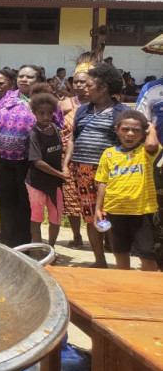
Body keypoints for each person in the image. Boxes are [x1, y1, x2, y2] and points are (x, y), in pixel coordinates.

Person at [64, 63, 130, 267]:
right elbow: (73, 139)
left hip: (110, 174)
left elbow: (127, 144)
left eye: (90, 85)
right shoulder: (83, 110)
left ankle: (120, 262)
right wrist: (67, 163)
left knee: (110, 216)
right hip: (82, 171)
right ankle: (99, 260)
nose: (85, 88)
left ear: (103, 88)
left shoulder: (120, 112)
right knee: (91, 217)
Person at [0, 65, 46, 247]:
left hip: (29, 162)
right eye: (21, 76)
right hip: (5, 161)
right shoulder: (7, 99)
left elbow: (53, 127)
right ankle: (6, 242)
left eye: (29, 77)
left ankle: (23, 245)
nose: (24, 79)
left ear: (39, 80)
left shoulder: (44, 101)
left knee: (24, 205)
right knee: (5, 202)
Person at [95, 110, 159, 271]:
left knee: (147, 253)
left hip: (142, 211)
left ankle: (150, 290)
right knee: (120, 250)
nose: (130, 134)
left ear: (143, 132)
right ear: (117, 130)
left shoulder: (145, 152)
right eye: (125, 129)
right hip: (115, 210)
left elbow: (152, 144)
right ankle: (125, 284)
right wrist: (98, 207)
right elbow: (102, 182)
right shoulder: (108, 154)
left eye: (136, 130)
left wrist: (151, 128)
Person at [26, 91, 66, 247]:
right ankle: (37, 250)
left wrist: (64, 168)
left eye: (49, 113)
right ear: (34, 113)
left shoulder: (55, 129)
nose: (46, 116)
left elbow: (60, 149)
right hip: (36, 183)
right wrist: (61, 174)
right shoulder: (33, 134)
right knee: (36, 218)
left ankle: (51, 248)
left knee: (56, 217)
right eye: (41, 113)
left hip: (55, 183)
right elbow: (37, 161)